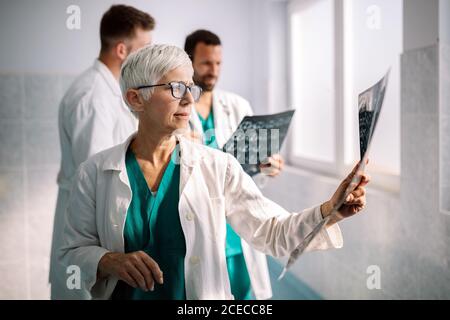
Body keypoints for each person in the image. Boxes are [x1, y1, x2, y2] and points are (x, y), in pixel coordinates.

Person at [58, 44, 369, 300]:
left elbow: (272, 232)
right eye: (175, 87)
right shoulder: (95, 173)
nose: (188, 98)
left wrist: (331, 211)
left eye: (190, 88)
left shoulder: (217, 166)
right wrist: (108, 261)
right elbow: (72, 252)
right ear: (135, 98)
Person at [50, 5, 155, 299]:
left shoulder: (111, 91)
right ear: (122, 50)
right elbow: (95, 179)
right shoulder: (93, 96)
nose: (149, 56)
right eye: (144, 48)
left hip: (100, 229)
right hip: (88, 231)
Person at [184, 29, 283, 299]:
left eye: (218, 63)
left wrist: (265, 166)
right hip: (198, 223)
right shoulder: (176, 110)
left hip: (236, 230)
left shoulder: (237, 105)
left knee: (245, 295)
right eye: (205, 63)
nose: (213, 70)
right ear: (189, 61)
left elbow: (248, 177)